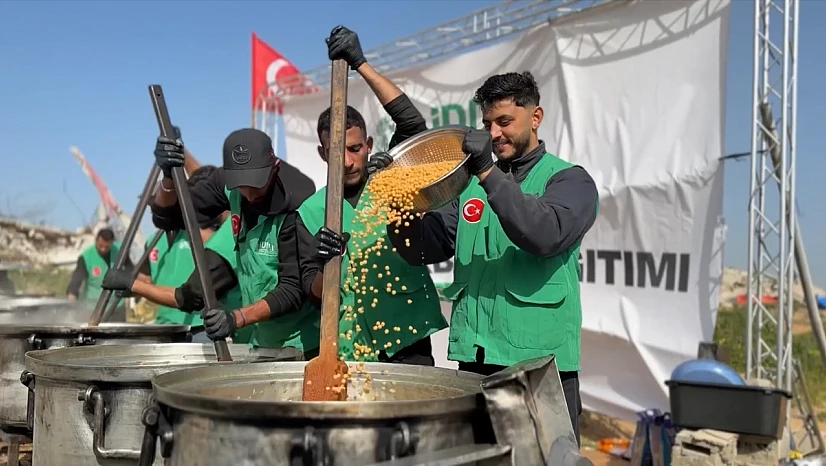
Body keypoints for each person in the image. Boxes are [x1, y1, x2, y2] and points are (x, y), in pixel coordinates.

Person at [388, 71, 599, 445]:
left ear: (535, 117)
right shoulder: (469, 186)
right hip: (475, 362)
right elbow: (423, 247)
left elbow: (543, 234)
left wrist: (486, 171)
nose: (494, 133)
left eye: (504, 121)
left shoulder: (570, 181)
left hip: (539, 369)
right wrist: (396, 198)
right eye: (487, 124)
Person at [296, 25, 447, 365]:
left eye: (354, 149)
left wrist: (360, 64)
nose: (348, 162)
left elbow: (412, 125)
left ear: (368, 145)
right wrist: (326, 263)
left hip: (408, 341)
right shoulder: (309, 213)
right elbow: (312, 291)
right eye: (336, 152)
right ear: (322, 153)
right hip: (351, 350)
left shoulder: (391, 179)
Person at [149, 127, 333, 358]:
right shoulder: (229, 186)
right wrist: (168, 177)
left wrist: (236, 317)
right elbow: (168, 217)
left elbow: (292, 289)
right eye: (241, 185)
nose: (249, 194)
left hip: (300, 343)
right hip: (259, 339)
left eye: (256, 184)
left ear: (274, 167)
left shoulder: (296, 206)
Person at [101, 165, 249, 343]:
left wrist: (133, 285)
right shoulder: (152, 242)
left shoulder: (202, 235)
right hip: (164, 324)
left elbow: (190, 295)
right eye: (151, 203)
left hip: (198, 326)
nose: (154, 208)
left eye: (156, 202)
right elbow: (146, 280)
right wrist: (124, 284)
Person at [66, 227, 130, 321]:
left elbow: (130, 271)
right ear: (96, 240)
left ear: (112, 243)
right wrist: (72, 294)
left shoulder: (121, 251)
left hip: (116, 306)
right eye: (100, 246)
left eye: (107, 247)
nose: (103, 249)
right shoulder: (86, 257)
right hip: (91, 308)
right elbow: (77, 278)